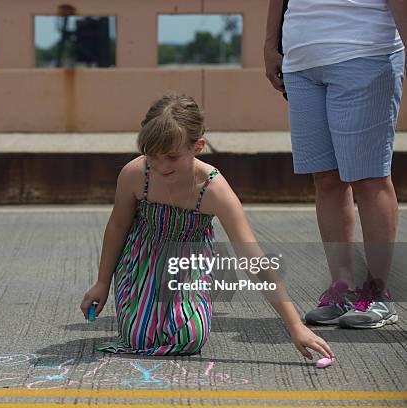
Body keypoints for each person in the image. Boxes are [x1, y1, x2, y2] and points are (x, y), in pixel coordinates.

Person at [80, 94, 334, 359]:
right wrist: (102, 282)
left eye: (171, 156)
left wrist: (295, 325)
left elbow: (252, 257)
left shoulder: (214, 189)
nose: (160, 166)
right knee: (139, 336)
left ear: (198, 146)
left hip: (187, 266)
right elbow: (118, 226)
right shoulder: (135, 174)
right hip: (141, 262)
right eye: (151, 156)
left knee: (188, 337)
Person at [264, 0, 406, 328]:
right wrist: (271, 45)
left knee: (369, 177)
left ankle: (379, 292)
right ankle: (341, 288)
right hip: (301, 60)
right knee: (326, 178)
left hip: (366, 52)